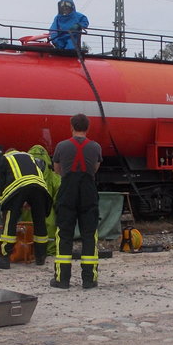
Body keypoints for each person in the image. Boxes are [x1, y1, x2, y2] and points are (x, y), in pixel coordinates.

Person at [51, 113, 103, 289]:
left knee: (64, 234)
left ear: (71, 126)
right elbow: (95, 168)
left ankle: (62, 279)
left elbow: (57, 169)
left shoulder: (61, 146)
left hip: (67, 192)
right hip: (88, 192)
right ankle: (89, 279)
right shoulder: (95, 147)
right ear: (87, 128)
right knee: (89, 234)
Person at [0, 149, 52, 269]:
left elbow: (0, 183)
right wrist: (29, 200)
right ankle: (40, 257)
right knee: (40, 221)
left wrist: (4, 203)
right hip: (39, 187)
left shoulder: (5, 158)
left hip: (18, 187)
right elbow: (36, 174)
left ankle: (4, 259)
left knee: (10, 220)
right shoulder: (29, 157)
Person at [28, 143, 62, 254]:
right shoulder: (53, 176)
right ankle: (48, 250)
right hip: (48, 214)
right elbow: (59, 194)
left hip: (28, 215)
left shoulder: (25, 175)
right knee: (49, 227)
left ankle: (28, 250)